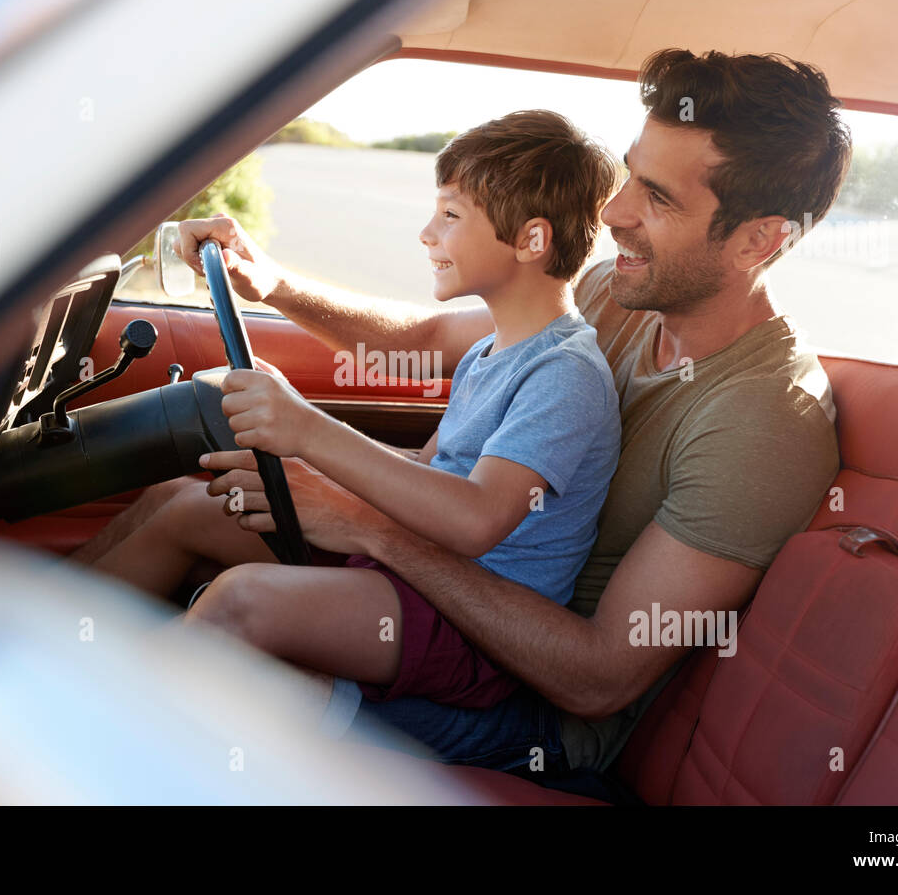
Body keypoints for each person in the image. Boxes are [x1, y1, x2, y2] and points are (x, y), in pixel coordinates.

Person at [78, 48, 850, 782]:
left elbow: (595, 679)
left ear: (759, 241)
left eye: (658, 196)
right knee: (179, 503)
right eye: (629, 178)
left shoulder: (763, 424)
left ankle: (73, 755)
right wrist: (269, 282)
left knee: (241, 610)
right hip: (443, 591)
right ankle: (8, 670)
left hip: (523, 713)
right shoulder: (613, 296)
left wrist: (362, 519)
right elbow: (423, 339)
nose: (614, 212)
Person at [93, 109, 622, 710]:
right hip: (414, 572)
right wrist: (307, 454)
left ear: (532, 240)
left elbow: (475, 520)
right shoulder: (490, 350)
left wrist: (308, 429)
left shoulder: (564, 373)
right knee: (182, 502)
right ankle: (38, 653)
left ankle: (95, 731)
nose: (427, 233)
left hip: (467, 619)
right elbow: (429, 473)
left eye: (451, 215)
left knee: (239, 601)